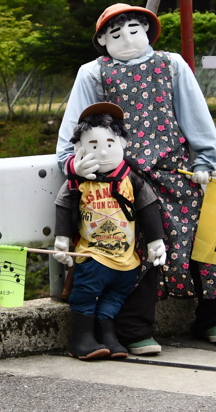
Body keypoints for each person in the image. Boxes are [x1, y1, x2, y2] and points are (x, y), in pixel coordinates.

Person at [56, 3, 216, 355]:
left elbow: (194, 114)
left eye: (135, 29)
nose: (127, 39)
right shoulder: (93, 73)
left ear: (148, 31)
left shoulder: (172, 65)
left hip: (177, 170)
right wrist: (73, 164)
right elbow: (73, 131)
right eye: (116, 34)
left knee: (202, 238)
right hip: (122, 180)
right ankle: (136, 328)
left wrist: (207, 160)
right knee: (136, 251)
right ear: (102, 40)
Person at [52, 102, 166, 360]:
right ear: (78, 149)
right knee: (86, 294)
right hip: (92, 256)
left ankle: (107, 336)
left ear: (123, 143)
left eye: (109, 144)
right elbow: (64, 204)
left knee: (114, 297)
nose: (103, 153)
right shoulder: (78, 182)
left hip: (127, 260)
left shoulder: (131, 178)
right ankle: (81, 338)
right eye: (93, 146)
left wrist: (155, 241)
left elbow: (148, 206)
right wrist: (62, 239)